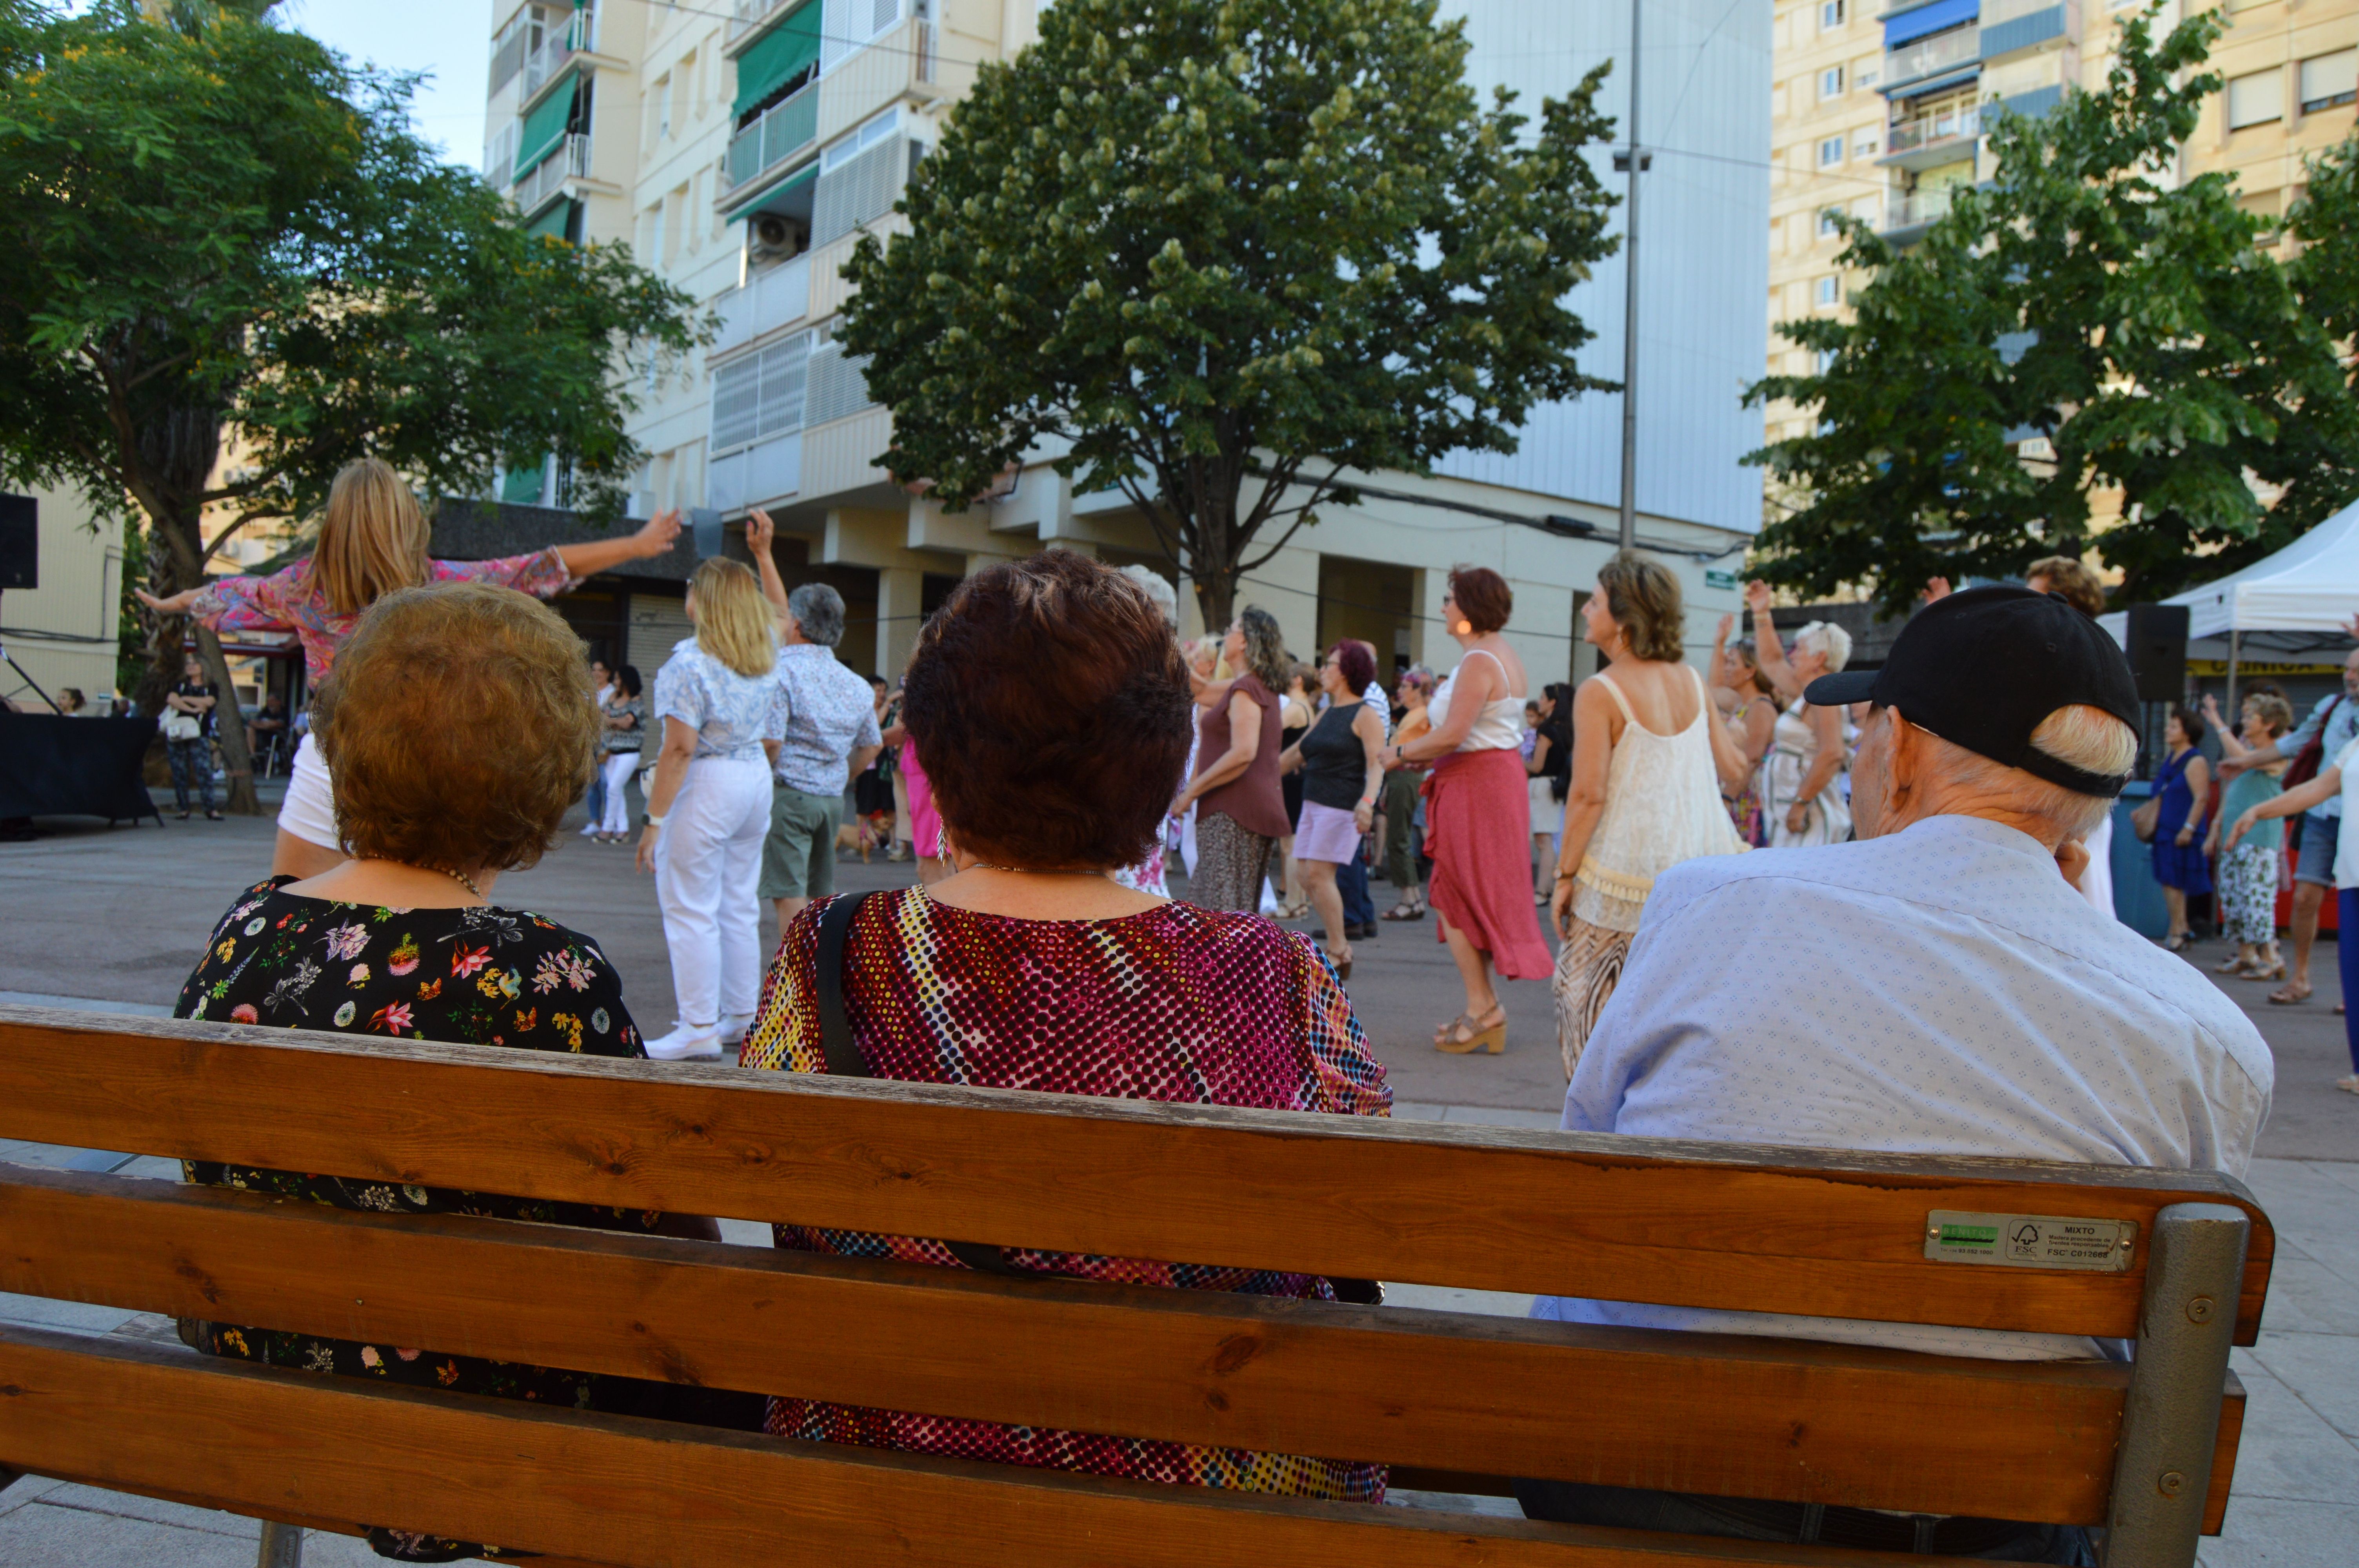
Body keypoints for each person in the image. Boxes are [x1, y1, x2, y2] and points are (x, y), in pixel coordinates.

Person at [1523, 586, 2271, 1562]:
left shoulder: (1711, 905)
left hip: (1653, 1496)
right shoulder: (2208, 1037)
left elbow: (1592, 1162)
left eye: (1869, 722)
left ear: (1904, 745)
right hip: (1991, 1526)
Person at [738, 550, 1392, 1500]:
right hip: (1219, 1484)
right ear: (1155, 758)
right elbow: (1365, 1210)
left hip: (888, 1470)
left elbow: (773, 1180)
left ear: (936, 752)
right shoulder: (1274, 970)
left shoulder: (835, 953)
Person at [172, 583, 751, 1564]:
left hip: (269, 1367)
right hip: (486, 1400)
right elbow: (652, 1222)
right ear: (545, 773)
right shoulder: (545, 971)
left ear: (342, 747)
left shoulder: (251, 927)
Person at [138, 457, 683, 878]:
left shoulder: (299, 589)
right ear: (405, 519)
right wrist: (634, 544)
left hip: (332, 756)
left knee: (294, 908)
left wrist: (176, 601)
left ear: (335, 524)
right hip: (422, 758)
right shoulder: (437, 584)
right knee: (422, 906)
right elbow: (536, 569)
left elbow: (225, 594)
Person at [1548, 553, 1752, 1079]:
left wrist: (1564, 875)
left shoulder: (1600, 691)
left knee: (1584, 1003)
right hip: (1696, 873)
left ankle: (1594, 1133)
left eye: (1594, 602)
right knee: (1672, 1008)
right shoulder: (1689, 678)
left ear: (1622, 616)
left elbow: (1588, 795)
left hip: (1620, 874)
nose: (1585, 612)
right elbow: (1735, 770)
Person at [1379, 566, 1554, 1054]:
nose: (1443, 607)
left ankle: (1484, 1008)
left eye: (1450, 599)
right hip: (1482, 780)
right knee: (1460, 892)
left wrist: (1399, 754)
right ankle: (1483, 1005)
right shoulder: (1496, 654)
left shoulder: (1480, 658)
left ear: (1469, 606)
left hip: (1477, 783)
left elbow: (1455, 734)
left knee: (1453, 893)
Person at [634, 558, 786, 1060]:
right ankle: (741, 1016)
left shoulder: (690, 662)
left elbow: (678, 748)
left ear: (704, 597)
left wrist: (653, 822)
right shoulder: (764, 651)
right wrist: (764, 555)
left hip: (710, 780)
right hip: (753, 779)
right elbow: (781, 611)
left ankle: (698, 1026)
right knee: (738, 905)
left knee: (689, 907)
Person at [745, 511, 884, 934]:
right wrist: (844, 774)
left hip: (788, 794)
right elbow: (873, 744)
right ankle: (820, 970)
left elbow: (772, 741)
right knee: (819, 894)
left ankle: (798, 975)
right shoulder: (857, 683)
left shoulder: (783, 670)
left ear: (797, 624)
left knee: (787, 891)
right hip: (829, 799)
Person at [2216, 637, 2359, 1005]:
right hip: (2325, 817)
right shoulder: (2334, 708)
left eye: (2358, 670)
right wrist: (2247, 768)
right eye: (2347, 669)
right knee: (2305, 898)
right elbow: (2299, 753)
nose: (2351, 676)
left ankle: (2352, 992)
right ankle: (2301, 977)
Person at [2226, 700, 2359, 1094]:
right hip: (2352, 874)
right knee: (2352, 971)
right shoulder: (2352, 747)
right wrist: (2260, 811)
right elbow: (2317, 788)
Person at [1278, 642, 1387, 978]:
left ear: (1348, 671)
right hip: (1313, 803)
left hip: (1340, 806)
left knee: (1319, 876)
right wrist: (1254, 775)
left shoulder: (1365, 715)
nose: (1323, 670)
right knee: (1304, 875)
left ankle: (1340, 950)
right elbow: (1297, 752)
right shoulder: (1327, 713)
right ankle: (1338, 946)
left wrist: (1368, 802)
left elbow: (1377, 765)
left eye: (1330, 664)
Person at [1170, 608, 1291, 910]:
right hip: (1244, 809)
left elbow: (1243, 752)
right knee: (1230, 908)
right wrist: (1167, 649)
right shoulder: (1252, 685)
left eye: (1232, 630)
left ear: (1246, 643)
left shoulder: (1247, 689)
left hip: (1234, 810)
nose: (1226, 636)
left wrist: (1192, 790)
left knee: (1222, 910)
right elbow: (1202, 690)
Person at [1745, 583, 1854, 847]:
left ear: (1820, 658)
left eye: (1800, 649)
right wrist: (1761, 613)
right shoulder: (1807, 691)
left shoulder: (1825, 695)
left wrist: (1800, 803)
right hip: (1793, 810)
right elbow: (1771, 661)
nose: (1792, 655)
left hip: (1810, 815)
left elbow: (1832, 753)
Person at [2206, 693, 2290, 981]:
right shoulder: (2248, 753)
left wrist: (2217, 722)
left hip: (2259, 838)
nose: (2244, 722)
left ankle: (2270, 957)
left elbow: (2244, 759)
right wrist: (2217, 829)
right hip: (2236, 837)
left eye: (2250, 717)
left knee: (2257, 899)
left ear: (2269, 724)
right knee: (2235, 897)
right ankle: (2246, 954)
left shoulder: (2279, 752)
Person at [1708, 616, 1779, 846]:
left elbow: (1751, 760)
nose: (1727, 669)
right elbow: (1714, 690)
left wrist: (1727, 799)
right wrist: (1719, 644)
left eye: (1732, 663)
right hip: (1734, 793)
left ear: (1750, 671)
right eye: (1726, 663)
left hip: (1744, 800)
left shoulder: (1761, 708)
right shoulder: (1741, 704)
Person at [2150, 705, 2212, 952]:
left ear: (2187, 732)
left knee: (2175, 881)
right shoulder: (2171, 757)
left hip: (2181, 831)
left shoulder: (2196, 760)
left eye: (2174, 726)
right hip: (2166, 829)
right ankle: (2180, 927)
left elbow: (2201, 798)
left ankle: (2178, 930)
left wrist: (2189, 828)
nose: (2167, 730)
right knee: (2168, 880)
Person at [1379, 666, 1436, 921]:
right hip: (1399, 776)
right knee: (1399, 838)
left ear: (1417, 690)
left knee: (1398, 839)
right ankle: (1412, 899)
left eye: (1405, 687)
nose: (1400, 691)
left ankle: (1409, 899)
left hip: (1407, 775)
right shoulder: (1414, 714)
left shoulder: (1425, 713)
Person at [1272, 661, 1316, 918]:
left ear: (1298, 680)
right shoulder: (1306, 707)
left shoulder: (1296, 708)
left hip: (1289, 779)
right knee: (1294, 843)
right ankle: (1298, 901)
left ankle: (1292, 902)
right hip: (1295, 778)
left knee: (1290, 844)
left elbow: (1268, 731)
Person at [160, 653, 222, 821]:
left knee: (204, 770)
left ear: (203, 667)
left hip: (199, 733)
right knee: (179, 770)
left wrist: (186, 699)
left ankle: (210, 808)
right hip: (178, 733)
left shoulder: (211, 686)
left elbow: (209, 702)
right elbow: (172, 699)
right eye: (188, 664)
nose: (191, 666)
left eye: (195, 664)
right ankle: (183, 808)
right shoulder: (180, 685)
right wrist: (193, 709)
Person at [1525, 684, 1573, 900]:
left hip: (1542, 786)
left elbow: (1536, 766)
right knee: (1549, 840)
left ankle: (1542, 890)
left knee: (1543, 841)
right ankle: (1547, 888)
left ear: (1553, 702)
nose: (1540, 701)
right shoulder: (1564, 728)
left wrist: (1516, 760)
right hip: (1553, 786)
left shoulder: (1547, 730)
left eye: (1543, 698)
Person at [594, 664, 646, 842]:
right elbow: (600, 719)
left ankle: (607, 829)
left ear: (626, 680)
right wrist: (617, 721)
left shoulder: (636, 700)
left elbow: (628, 723)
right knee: (615, 790)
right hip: (610, 752)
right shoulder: (612, 698)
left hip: (629, 753)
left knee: (614, 788)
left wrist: (612, 722)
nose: (615, 682)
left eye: (617, 678)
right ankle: (623, 830)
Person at [582, 657, 614, 837]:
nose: (596, 674)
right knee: (593, 784)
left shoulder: (614, 693)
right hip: (591, 742)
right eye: (594, 670)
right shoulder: (587, 693)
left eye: (600, 670)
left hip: (608, 744)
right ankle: (595, 821)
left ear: (607, 673)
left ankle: (610, 822)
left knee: (607, 783)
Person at [245, 690, 290, 762]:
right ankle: (253, 756)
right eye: (268, 701)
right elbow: (252, 722)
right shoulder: (264, 712)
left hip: (276, 737)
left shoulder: (283, 712)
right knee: (250, 729)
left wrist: (264, 725)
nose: (270, 703)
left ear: (278, 702)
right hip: (261, 735)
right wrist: (265, 725)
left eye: (272, 701)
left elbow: (278, 724)